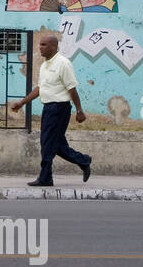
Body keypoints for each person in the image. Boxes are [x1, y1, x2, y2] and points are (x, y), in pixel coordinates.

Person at [9, 33, 92, 186]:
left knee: (47, 143)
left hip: (60, 109)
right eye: (40, 44)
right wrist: (22, 103)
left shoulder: (63, 63)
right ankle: (84, 160)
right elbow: (39, 89)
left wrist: (79, 111)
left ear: (54, 47)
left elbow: (72, 89)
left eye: (44, 45)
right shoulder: (44, 66)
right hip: (48, 108)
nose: (40, 47)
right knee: (56, 145)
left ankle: (46, 177)